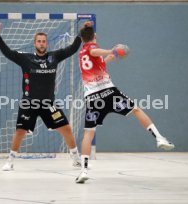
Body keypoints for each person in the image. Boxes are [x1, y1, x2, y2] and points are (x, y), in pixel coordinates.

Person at [75, 22, 175, 183]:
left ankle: (84, 171)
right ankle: (159, 138)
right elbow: (94, 51)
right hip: (109, 93)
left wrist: (108, 58)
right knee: (136, 110)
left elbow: (96, 62)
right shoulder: (91, 49)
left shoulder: (81, 54)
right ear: (95, 36)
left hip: (93, 98)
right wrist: (110, 50)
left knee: (89, 133)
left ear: (81, 38)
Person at [0, 20, 82, 171]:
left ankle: (76, 158)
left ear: (47, 44)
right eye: (39, 41)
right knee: (20, 131)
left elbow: (72, 49)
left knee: (66, 128)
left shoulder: (54, 57)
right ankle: (10, 161)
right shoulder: (26, 58)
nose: (42, 44)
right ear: (34, 43)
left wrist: (81, 35)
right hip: (29, 103)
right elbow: (7, 52)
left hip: (48, 104)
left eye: (44, 41)